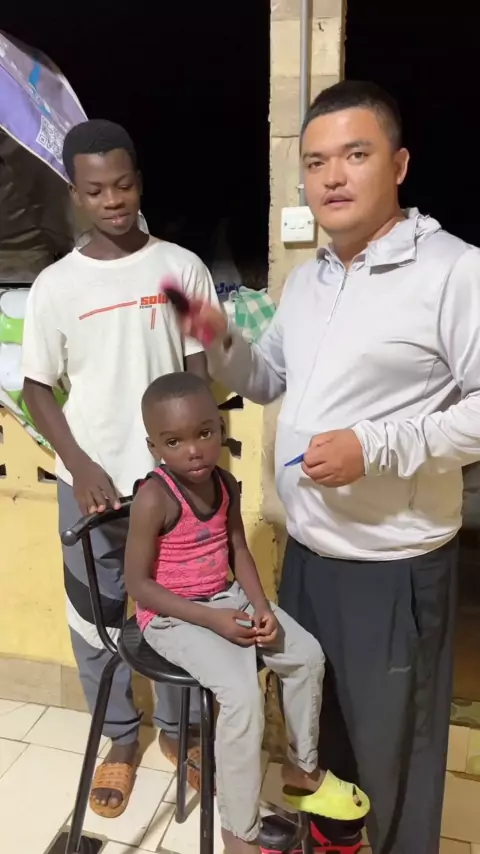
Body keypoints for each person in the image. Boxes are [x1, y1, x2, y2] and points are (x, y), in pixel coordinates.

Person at [173, 80, 480, 854]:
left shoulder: (454, 272)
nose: (333, 177)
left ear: (399, 165)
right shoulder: (310, 280)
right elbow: (268, 378)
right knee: (320, 747)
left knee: (393, 757)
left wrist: (374, 446)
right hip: (307, 559)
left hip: (391, 570)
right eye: (315, 162)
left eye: (355, 155)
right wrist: (217, 336)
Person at [21, 119, 219, 817]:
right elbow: (37, 388)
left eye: (124, 185)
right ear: (75, 195)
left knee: (176, 614)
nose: (112, 201)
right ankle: (120, 739)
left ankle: (180, 734)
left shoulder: (182, 269)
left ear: (139, 182)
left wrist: (204, 464)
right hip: (91, 487)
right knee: (95, 619)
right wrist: (78, 465)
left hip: (173, 487)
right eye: (96, 190)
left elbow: (202, 368)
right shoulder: (54, 286)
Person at [124, 371, 370, 854]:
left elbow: (237, 548)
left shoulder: (224, 483)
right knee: (241, 696)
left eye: (204, 433)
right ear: (154, 447)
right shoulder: (153, 497)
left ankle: (302, 769)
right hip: (170, 615)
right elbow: (138, 586)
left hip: (225, 597)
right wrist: (213, 620)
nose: (193, 450)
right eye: (174, 442)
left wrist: (260, 606)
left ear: (220, 428)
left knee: (306, 656)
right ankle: (239, 831)